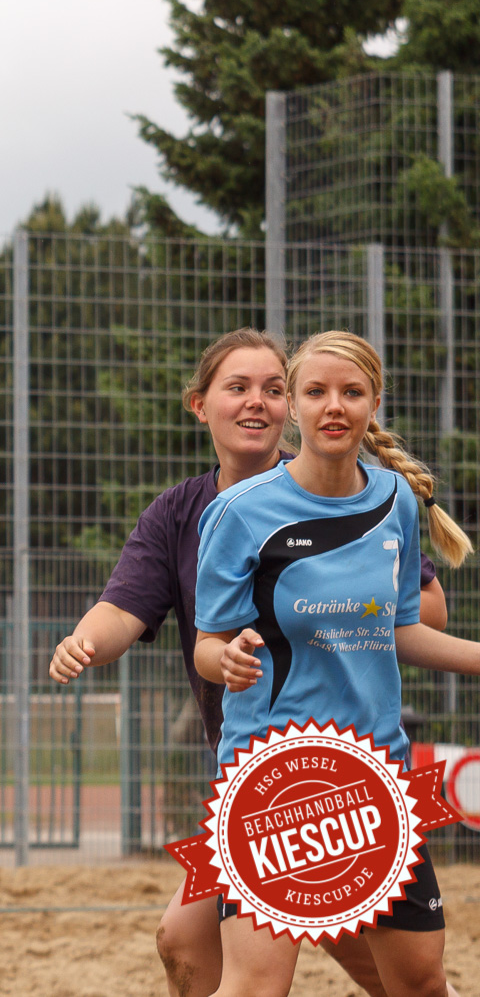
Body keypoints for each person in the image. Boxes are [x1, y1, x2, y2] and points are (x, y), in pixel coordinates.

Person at [46, 328, 457, 997]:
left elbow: (414, 616)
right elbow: (124, 609)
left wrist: (345, 610)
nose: (257, 402)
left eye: (271, 386)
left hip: (357, 763)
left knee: (403, 970)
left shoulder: (364, 494)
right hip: (266, 769)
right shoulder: (191, 513)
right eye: (239, 387)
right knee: (189, 941)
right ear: (200, 404)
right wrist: (83, 642)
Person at [196, 330, 475, 997]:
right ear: (293, 404)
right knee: (255, 987)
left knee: (422, 985)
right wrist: (226, 656)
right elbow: (208, 644)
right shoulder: (238, 511)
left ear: (374, 402)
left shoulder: (396, 501)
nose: (334, 405)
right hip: (274, 780)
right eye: (316, 391)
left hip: (375, 780)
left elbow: (401, 629)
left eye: (351, 392)